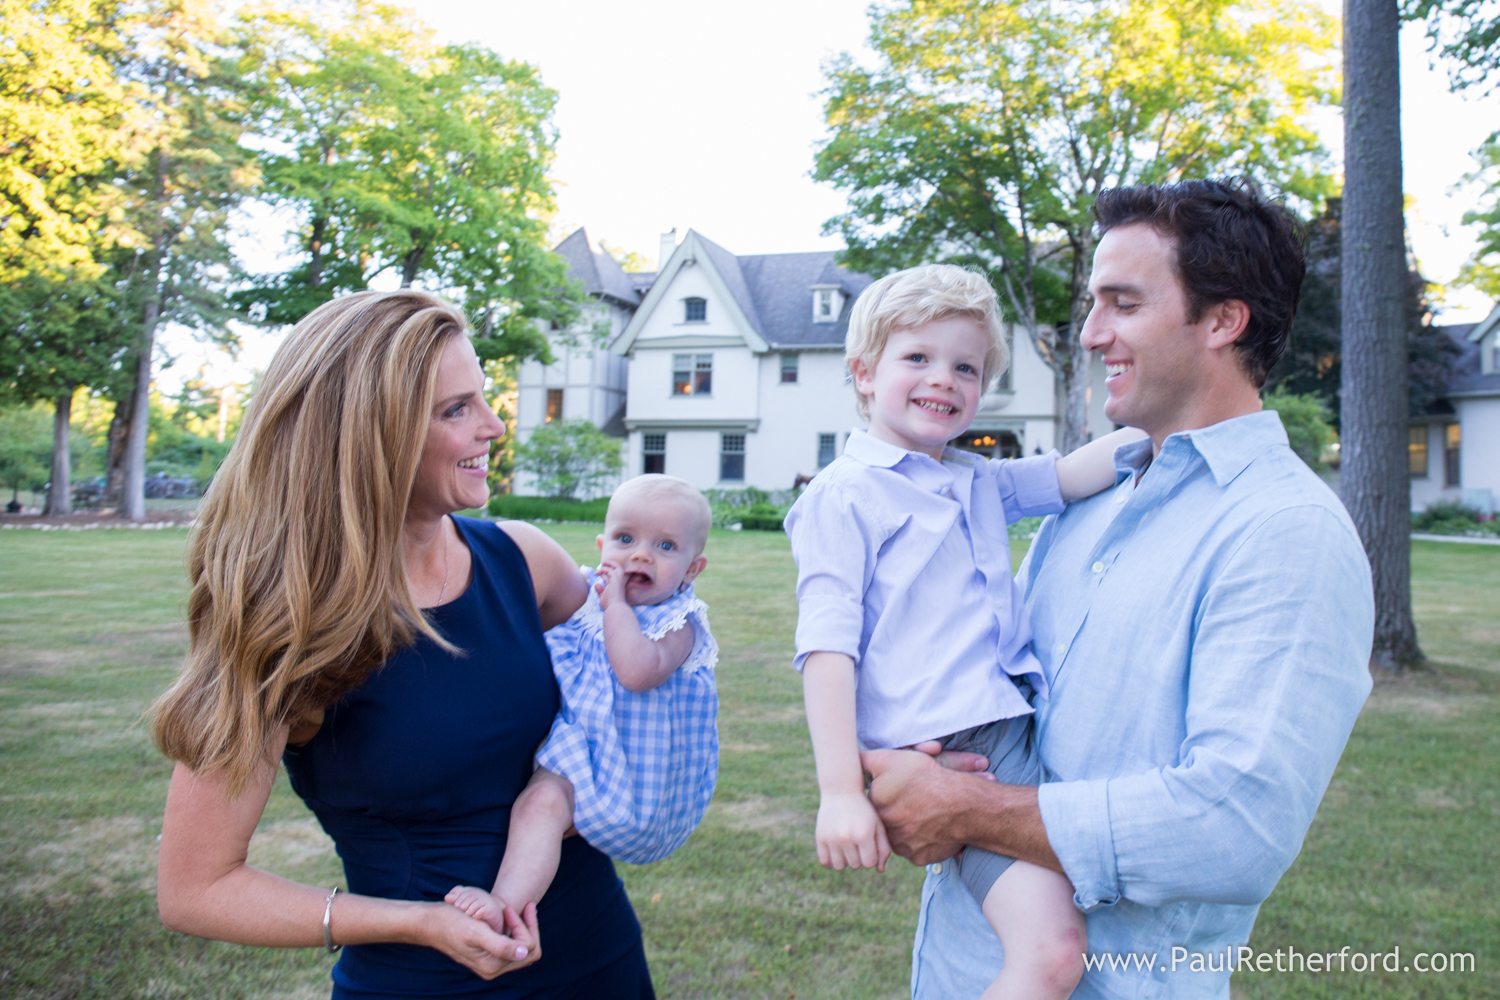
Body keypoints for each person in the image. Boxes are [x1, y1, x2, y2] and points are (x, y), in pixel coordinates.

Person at [862, 178, 1375, 999]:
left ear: (1222, 320)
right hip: (962, 967)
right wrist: (912, 757)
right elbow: (993, 682)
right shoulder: (1092, 499)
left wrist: (964, 811)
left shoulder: (1286, 532)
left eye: (1121, 304)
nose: (1092, 334)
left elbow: (1235, 824)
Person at [150, 289, 656, 997]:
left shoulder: (525, 563)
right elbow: (195, 887)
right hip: (425, 981)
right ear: (370, 436)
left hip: (600, 959)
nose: (496, 426)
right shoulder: (289, 630)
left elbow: (644, 683)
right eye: (457, 409)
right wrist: (417, 923)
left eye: (485, 397)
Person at [785, 264, 1145, 999]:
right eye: (917, 358)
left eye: (965, 367)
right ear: (863, 374)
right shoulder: (844, 496)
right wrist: (839, 791)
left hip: (1011, 732)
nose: (943, 379)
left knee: (1064, 938)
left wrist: (1176, 424)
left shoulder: (977, 478)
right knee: (1050, 954)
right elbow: (827, 648)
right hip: (954, 752)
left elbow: (1073, 473)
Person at [446, 473, 718, 925]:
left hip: (632, 773)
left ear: (693, 569)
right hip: (581, 749)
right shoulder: (586, 593)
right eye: (625, 538)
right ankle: (504, 904)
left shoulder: (680, 622)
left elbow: (635, 672)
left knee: (542, 805)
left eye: (665, 546)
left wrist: (616, 609)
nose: (640, 554)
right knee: (539, 806)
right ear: (601, 544)